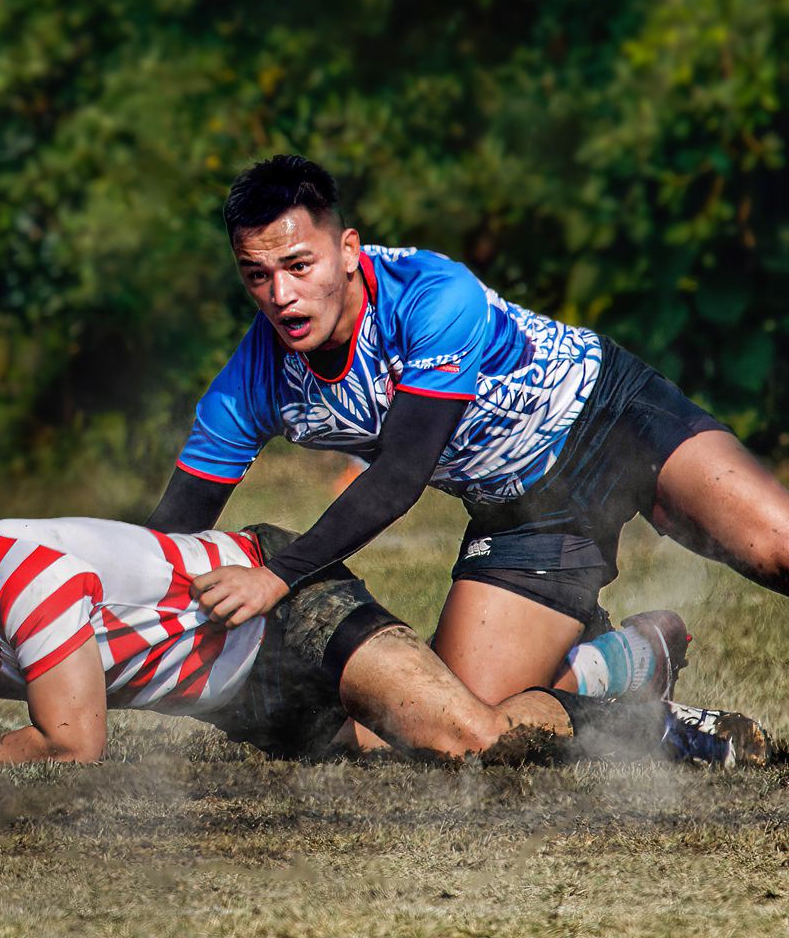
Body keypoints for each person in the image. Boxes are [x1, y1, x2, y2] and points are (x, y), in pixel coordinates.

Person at [148, 154, 789, 714]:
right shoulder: (249, 381)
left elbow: (400, 476)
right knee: (455, 718)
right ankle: (631, 658)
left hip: (612, 419)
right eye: (257, 275)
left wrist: (277, 575)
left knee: (776, 547)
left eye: (297, 264)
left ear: (346, 250)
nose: (281, 295)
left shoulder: (430, 293)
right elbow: (169, 533)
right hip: (522, 514)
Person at [0, 465, 769, 771]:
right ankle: (603, 672)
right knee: (422, 756)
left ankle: (638, 695)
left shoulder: (19, 580)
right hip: (241, 700)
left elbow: (69, 748)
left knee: (471, 741)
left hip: (282, 604)